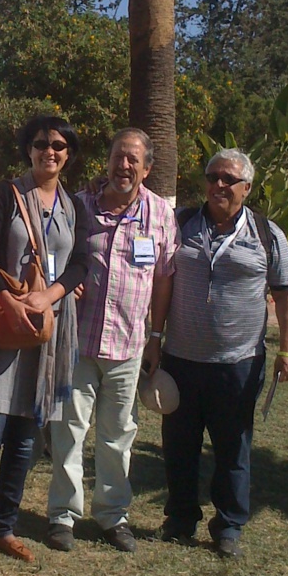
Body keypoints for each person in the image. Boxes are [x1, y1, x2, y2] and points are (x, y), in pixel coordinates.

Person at [0, 115, 88, 566]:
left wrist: (48, 296)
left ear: (69, 154)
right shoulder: (6, 196)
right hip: (7, 327)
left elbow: (81, 263)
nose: (51, 151)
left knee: (25, 441)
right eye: (42, 143)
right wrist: (12, 301)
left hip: (46, 334)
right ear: (28, 149)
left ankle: (4, 527)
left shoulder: (74, 207)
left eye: (60, 145)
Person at [160, 149, 288, 559]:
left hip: (238, 364)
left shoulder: (266, 233)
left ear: (247, 188)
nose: (219, 184)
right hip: (180, 360)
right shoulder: (180, 224)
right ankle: (180, 518)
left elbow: (287, 295)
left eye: (228, 179)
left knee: (232, 449)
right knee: (179, 445)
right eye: (212, 176)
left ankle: (229, 526)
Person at [46, 129, 179, 553]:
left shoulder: (159, 214)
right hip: (78, 341)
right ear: (107, 161)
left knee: (118, 434)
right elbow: (54, 253)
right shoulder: (79, 204)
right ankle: (62, 516)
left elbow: (163, 279)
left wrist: (156, 335)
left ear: (147, 169)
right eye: (118, 157)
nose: (124, 166)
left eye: (133, 160)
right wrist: (65, 283)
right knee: (68, 431)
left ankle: (112, 516)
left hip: (128, 344)